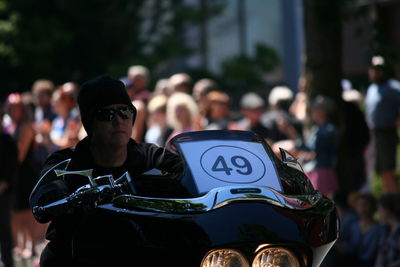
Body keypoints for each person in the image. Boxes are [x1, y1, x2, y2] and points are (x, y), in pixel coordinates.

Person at [29, 75, 183, 266]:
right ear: (89, 122)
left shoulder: (151, 157)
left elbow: (187, 173)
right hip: (77, 255)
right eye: (107, 114)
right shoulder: (67, 163)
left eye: (125, 112)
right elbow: (43, 201)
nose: (119, 121)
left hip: (140, 252)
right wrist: (69, 196)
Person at [364, 56, 400, 193]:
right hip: (373, 134)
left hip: (387, 133)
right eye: (373, 69)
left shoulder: (393, 87)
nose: (375, 72)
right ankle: (387, 199)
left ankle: (393, 201)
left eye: (378, 69)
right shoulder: (372, 88)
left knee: (387, 169)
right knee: (378, 170)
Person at [0, 110, 18, 267]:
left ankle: (8, 262)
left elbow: (11, 167)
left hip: (3, 193)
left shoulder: (7, 141)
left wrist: (4, 183)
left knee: (4, 230)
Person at [375, 192, 400, 266]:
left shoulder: (398, 231)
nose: (378, 213)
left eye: (379, 209)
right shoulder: (386, 230)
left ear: (387, 210)